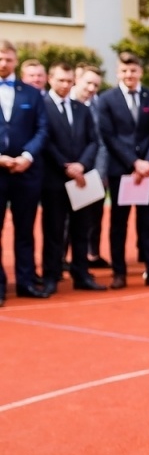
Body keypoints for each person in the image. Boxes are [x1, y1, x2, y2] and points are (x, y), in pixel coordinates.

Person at [93, 51, 149, 289]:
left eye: (133, 71)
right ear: (118, 73)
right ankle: (119, 273)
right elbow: (108, 136)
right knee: (119, 223)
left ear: (140, 72)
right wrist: (133, 163)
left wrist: (147, 162)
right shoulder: (107, 99)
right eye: (125, 71)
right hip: (122, 171)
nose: (129, 75)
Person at [40, 62, 105, 293]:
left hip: (81, 180)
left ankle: (81, 274)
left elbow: (93, 141)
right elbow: (44, 140)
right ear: (50, 79)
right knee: (54, 231)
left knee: (81, 230)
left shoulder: (82, 108)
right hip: (54, 180)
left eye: (69, 81)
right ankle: (50, 276)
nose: (66, 85)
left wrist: (82, 165)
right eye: (61, 80)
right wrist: (65, 166)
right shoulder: (43, 106)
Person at [0, 41, 49, 303]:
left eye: (8, 59)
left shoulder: (31, 93)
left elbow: (42, 129)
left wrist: (27, 156)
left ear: (15, 60)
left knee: (25, 231)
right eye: (0, 58)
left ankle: (26, 282)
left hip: (26, 172)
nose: (3, 63)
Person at [72, 66, 110, 270]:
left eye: (96, 84)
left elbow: (102, 142)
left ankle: (91, 254)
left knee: (94, 217)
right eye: (88, 83)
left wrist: (99, 173)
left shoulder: (99, 105)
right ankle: (61, 260)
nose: (91, 88)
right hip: (67, 171)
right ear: (77, 79)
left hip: (95, 172)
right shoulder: (64, 103)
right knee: (65, 221)